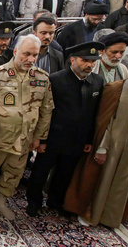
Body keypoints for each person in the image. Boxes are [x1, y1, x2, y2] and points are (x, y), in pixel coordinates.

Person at [65, 52, 128, 228]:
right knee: (100, 182)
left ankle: (111, 218)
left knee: (122, 184)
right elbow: (104, 122)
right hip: (111, 148)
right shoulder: (115, 89)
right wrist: (102, 148)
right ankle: (91, 215)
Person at [0, 35, 54, 220]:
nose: (30, 59)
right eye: (26, 54)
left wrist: (39, 137)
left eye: (34, 55)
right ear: (15, 52)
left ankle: (1, 200)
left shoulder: (42, 78)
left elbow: (46, 110)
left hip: (24, 139)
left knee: (14, 173)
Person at [25, 42, 105, 217]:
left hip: (77, 139)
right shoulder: (56, 80)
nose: (89, 65)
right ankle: (33, 202)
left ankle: (55, 201)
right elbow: (44, 112)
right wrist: (42, 139)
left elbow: (94, 115)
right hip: (53, 138)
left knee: (65, 174)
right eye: (85, 60)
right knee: (40, 172)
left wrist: (89, 140)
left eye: (93, 61)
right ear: (73, 60)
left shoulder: (97, 81)